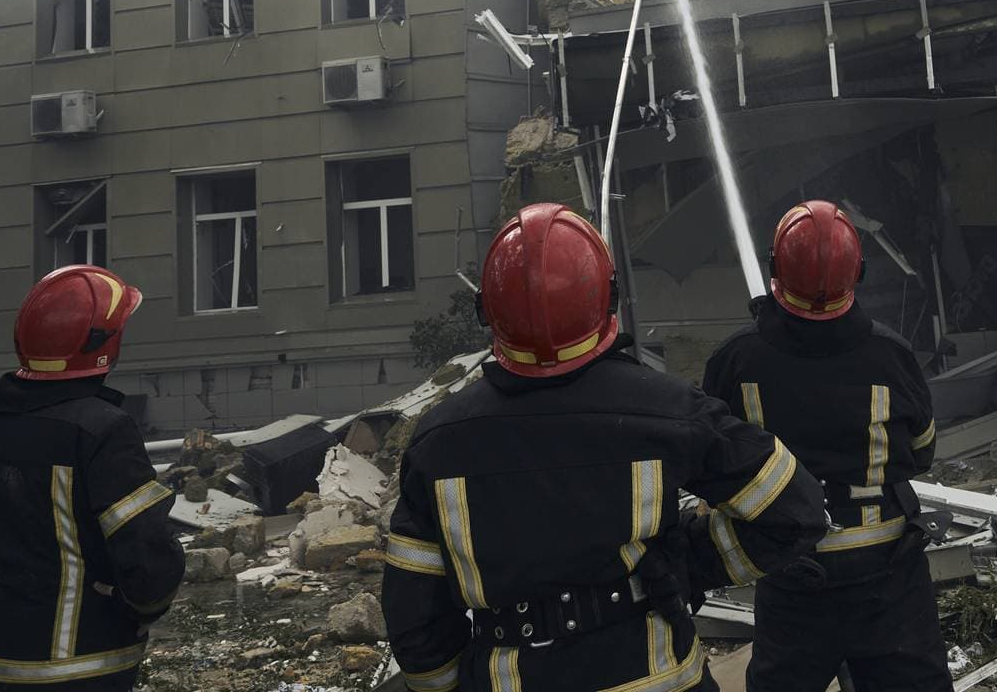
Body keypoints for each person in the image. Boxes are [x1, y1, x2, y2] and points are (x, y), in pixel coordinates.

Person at [382, 203, 828, 692]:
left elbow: (414, 616)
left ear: (487, 310)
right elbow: (795, 510)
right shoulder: (667, 410)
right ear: (606, 298)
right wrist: (689, 564)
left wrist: (448, 683)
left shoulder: (438, 441)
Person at [0, 265, 183, 692]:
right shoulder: (102, 430)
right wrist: (135, 608)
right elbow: (150, 560)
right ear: (105, 345)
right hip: (91, 668)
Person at [701, 200, 952, 692]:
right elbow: (921, 452)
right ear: (856, 272)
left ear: (776, 270)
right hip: (889, 579)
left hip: (792, 571)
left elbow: (713, 465)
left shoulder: (737, 360)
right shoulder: (892, 354)